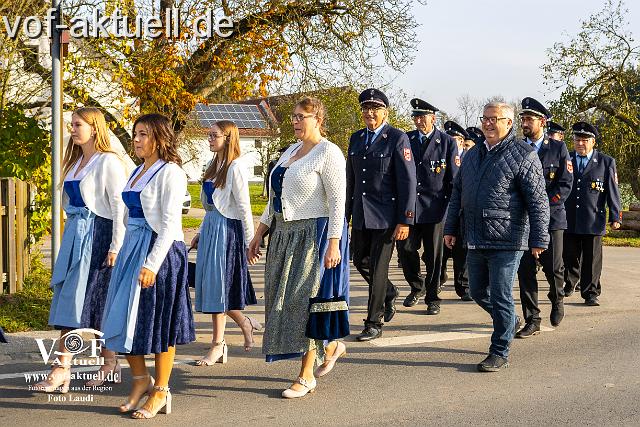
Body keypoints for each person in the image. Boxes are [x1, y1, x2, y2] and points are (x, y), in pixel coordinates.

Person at [247, 97, 349, 399]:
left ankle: (306, 375)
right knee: (282, 302)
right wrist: (259, 232)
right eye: (292, 116)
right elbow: (273, 199)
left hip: (312, 235)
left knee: (303, 303)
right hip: (283, 234)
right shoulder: (290, 151)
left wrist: (334, 243)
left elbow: (337, 203)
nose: (294, 121)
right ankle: (331, 345)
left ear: (317, 119)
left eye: (301, 116)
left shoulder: (329, 152)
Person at [101, 113, 195, 418]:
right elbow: (127, 216)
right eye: (135, 134)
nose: (137, 140)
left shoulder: (171, 172)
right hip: (133, 250)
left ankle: (161, 390)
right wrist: (120, 248)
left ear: (159, 137)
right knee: (122, 318)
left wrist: (152, 264)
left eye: (143, 134)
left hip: (161, 253)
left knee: (160, 323)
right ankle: (141, 381)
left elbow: (169, 226)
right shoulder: (136, 171)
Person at [444, 102, 550, 372]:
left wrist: (539, 238)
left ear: (509, 123)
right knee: (478, 291)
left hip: (508, 239)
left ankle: (499, 350)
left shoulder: (524, 155)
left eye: (495, 119)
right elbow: (458, 193)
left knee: (502, 293)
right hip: (476, 236)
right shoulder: (472, 154)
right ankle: (509, 320)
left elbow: (538, 200)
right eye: (485, 119)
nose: (488, 124)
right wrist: (450, 228)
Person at [33, 107, 127, 393]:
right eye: (71, 125)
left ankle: (75, 366)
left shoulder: (107, 162)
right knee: (70, 301)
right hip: (76, 236)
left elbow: (118, 207)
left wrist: (116, 245)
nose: (72, 129)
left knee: (96, 302)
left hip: (99, 236)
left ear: (94, 128)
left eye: (77, 125)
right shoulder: (75, 164)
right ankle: (75, 366)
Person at [347, 88, 416, 341]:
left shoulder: (397, 138)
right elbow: (351, 181)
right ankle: (388, 292)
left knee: (377, 268)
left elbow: (408, 181)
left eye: (374, 108)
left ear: (385, 112)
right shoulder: (356, 139)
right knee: (359, 261)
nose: (369, 113)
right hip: (362, 215)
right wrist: (344, 216)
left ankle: (373, 322)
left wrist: (405, 219)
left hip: (387, 217)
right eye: (365, 108)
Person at [191, 120, 261, 366]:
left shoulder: (235, 167)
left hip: (227, 232)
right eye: (209, 135)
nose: (209, 139)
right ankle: (245, 323)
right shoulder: (213, 165)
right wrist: (200, 231)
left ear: (228, 138)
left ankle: (218, 344)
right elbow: (209, 207)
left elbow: (244, 207)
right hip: (211, 228)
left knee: (218, 289)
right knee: (210, 288)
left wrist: (250, 242)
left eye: (214, 135)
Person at [514, 98, 573, 338]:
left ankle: (557, 299)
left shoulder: (558, 148)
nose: (525, 123)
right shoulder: (517, 147)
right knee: (525, 270)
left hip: (552, 219)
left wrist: (541, 206)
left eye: (529, 119)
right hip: (524, 221)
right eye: (523, 119)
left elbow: (565, 184)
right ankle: (532, 318)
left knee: (553, 267)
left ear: (542, 122)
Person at [397, 99, 457, 315]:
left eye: (422, 116)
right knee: (405, 250)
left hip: (435, 208)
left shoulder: (447, 142)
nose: (418, 121)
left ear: (434, 118)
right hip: (410, 208)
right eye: (415, 117)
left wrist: (450, 212)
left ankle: (433, 296)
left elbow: (453, 179)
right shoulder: (406, 139)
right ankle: (417, 286)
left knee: (434, 256)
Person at [563, 122, 622, 306]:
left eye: (584, 140)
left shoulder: (606, 162)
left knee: (592, 259)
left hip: (593, 218)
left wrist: (615, 216)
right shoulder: (566, 159)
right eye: (577, 140)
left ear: (593, 142)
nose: (580, 143)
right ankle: (571, 282)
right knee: (569, 254)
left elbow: (612, 191)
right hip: (569, 217)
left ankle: (591, 293)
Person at [440, 120, 472, 302]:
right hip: (443, 209)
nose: (451, 141)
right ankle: (439, 275)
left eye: (454, 139)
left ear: (461, 141)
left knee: (461, 249)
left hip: (461, 209)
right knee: (440, 251)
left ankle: (464, 286)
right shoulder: (442, 155)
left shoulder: (469, 156)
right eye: (448, 138)